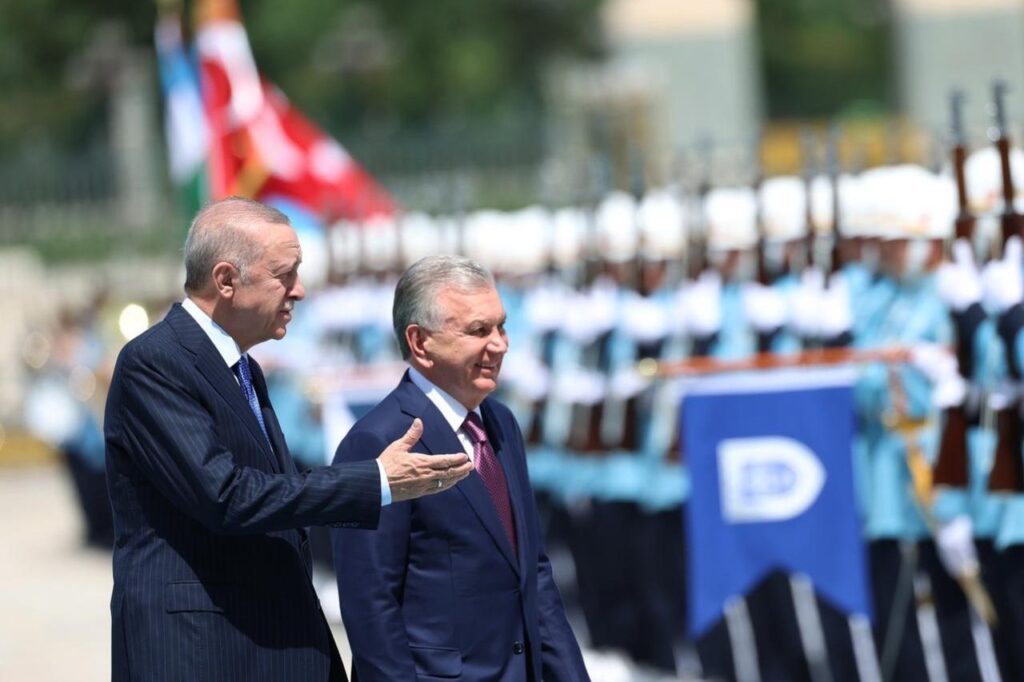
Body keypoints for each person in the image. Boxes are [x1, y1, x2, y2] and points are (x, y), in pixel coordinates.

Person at [103, 197, 473, 682]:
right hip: (203, 648)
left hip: (266, 635)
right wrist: (376, 482)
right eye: (284, 274)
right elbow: (227, 496)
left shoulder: (242, 368)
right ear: (226, 280)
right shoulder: (157, 362)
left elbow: (274, 488)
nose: (298, 290)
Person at [331, 255, 590, 681]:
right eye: (478, 331)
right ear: (420, 342)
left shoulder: (501, 423)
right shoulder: (381, 440)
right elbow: (370, 604)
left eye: (501, 326)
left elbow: (533, 574)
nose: (500, 344)